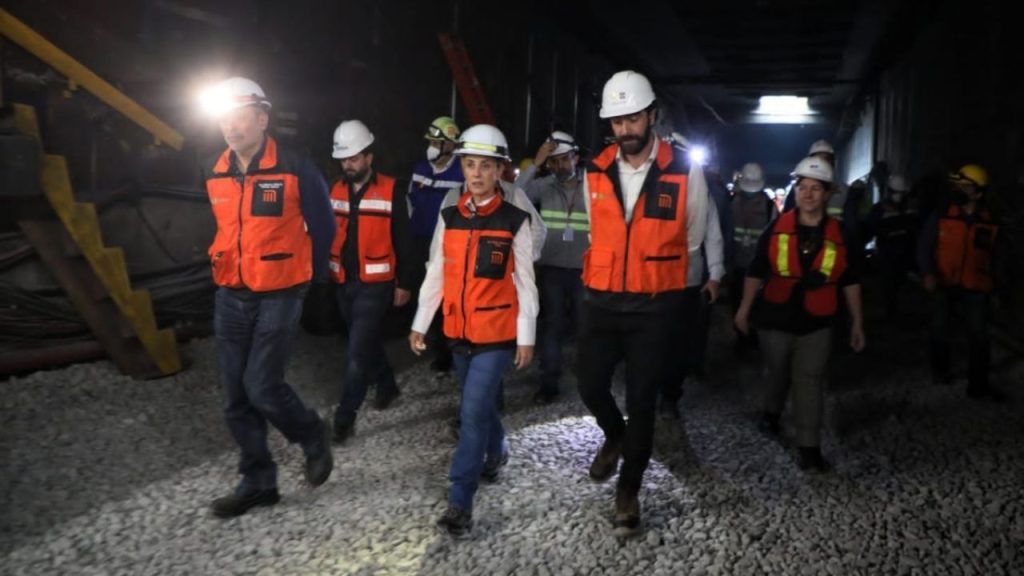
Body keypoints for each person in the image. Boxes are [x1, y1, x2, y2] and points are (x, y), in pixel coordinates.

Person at [578, 70, 709, 537]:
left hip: (654, 306)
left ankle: (628, 491)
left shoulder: (684, 169)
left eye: (633, 118)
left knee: (643, 402)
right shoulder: (594, 170)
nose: (626, 129)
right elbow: (596, 232)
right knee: (589, 385)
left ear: (652, 115)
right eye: (617, 122)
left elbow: (692, 238)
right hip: (602, 300)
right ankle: (614, 434)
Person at [200, 77, 335, 517]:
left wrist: (309, 283)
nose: (231, 127)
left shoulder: (295, 166)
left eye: (241, 117)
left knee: (262, 385)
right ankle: (258, 482)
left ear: (262, 118)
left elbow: (325, 226)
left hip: (280, 292)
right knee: (236, 398)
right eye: (224, 118)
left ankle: (312, 434)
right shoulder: (214, 169)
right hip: (231, 294)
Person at [409, 124, 538, 537]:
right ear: (462, 167)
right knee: (477, 407)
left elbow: (525, 281)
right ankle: (497, 450)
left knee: (470, 414)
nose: (477, 174)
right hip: (458, 333)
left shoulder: (515, 218)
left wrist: (526, 336)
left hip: (497, 334)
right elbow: (437, 273)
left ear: (500, 170)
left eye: (486, 166)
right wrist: (420, 323)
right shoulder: (449, 216)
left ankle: (459, 503)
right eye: (470, 164)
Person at [735, 156, 865, 473]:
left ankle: (809, 448)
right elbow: (756, 270)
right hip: (775, 317)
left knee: (809, 380)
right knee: (778, 372)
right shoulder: (776, 228)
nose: (807, 195)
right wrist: (744, 310)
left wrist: (857, 321)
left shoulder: (841, 233)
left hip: (818, 320)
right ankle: (772, 413)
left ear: (827, 193)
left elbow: (850, 279)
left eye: (815, 189)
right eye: (802, 187)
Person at [327, 120, 415, 444]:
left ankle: (344, 418)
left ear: (368, 157)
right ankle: (388, 386)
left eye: (353, 158)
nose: (347, 164)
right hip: (342, 281)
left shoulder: (393, 189)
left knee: (356, 353)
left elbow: (406, 241)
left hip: (376, 285)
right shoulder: (333, 188)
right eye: (343, 159)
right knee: (364, 342)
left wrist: (405, 282)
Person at [514, 130, 587, 405]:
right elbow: (515, 192)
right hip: (552, 269)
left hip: (584, 270)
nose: (559, 166)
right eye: (554, 162)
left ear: (575, 157)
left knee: (585, 328)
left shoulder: (591, 186)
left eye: (564, 160)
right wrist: (536, 162)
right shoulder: (544, 185)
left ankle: (589, 381)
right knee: (553, 327)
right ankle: (549, 383)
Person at [917, 164, 1002, 400]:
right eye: (958, 185)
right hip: (944, 283)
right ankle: (940, 372)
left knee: (979, 336)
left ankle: (978, 386)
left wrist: (996, 289)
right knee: (939, 331)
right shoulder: (942, 215)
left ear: (979, 192)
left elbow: (996, 257)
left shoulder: (989, 221)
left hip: (976, 287)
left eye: (965, 186)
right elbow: (924, 246)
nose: (959, 190)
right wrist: (927, 273)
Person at [409, 117, 465, 373]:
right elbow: (410, 202)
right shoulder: (421, 167)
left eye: (436, 142)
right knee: (426, 295)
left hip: (447, 247)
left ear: (449, 145)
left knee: (448, 300)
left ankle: (450, 353)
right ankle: (434, 347)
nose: (431, 146)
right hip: (421, 241)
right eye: (430, 141)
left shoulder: (461, 173)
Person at [730, 162, 779, 350]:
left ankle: (754, 340)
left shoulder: (769, 206)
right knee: (737, 305)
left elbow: (776, 236)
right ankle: (742, 341)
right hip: (738, 266)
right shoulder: (732, 202)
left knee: (757, 308)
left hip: (759, 269)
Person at [864, 173, 919, 318]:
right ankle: (891, 314)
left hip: (907, 256)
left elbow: (917, 231)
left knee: (904, 289)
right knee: (888, 288)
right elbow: (869, 230)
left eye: (901, 192)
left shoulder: (912, 207)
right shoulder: (879, 209)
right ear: (889, 191)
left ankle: (902, 316)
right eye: (895, 192)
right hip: (887, 257)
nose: (898, 196)